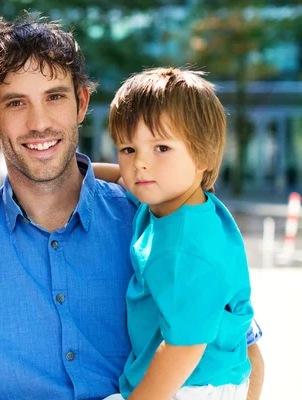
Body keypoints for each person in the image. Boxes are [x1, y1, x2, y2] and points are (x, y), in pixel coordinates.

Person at [0, 14, 264, 400]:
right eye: (16, 102)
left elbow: (245, 354)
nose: (39, 122)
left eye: (54, 96)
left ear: (81, 103)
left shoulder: (156, 220)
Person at [98, 68, 253, 399]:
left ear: (202, 155)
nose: (140, 163)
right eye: (127, 149)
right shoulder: (172, 201)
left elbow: (185, 348)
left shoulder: (184, 248)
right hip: (197, 376)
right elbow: (120, 178)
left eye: (161, 148)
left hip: (191, 384)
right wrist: (74, 173)